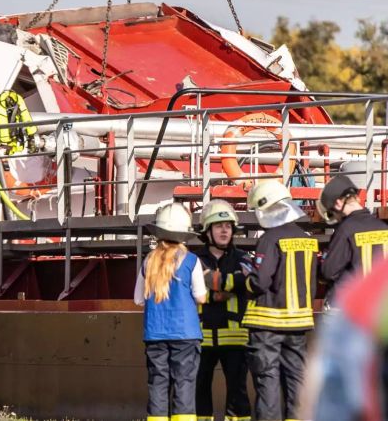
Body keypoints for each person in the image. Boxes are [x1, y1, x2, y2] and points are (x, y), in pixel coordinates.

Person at [230, 180, 317, 421]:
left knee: (267, 382)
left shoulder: (270, 239)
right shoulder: (308, 240)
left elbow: (260, 282)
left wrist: (245, 279)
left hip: (267, 324)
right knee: (296, 382)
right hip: (298, 325)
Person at [135, 202, 208, 421]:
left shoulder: (148, 261)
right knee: (184, 384)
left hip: (155, 333)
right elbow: (201, 296)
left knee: (158, 384)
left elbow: (138, 299)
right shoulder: (192, 261)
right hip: (185, 333)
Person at [194, 200, 253, 421]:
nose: (224, 230)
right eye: (219, 226)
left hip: (236, 338)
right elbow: (192, 290)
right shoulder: (195, 260)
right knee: (199, 391)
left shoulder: (242, 258)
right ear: (207, 231)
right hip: (202, 338)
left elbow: (248, 283)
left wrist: (213, 281)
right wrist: (221, 292)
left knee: (238, 395)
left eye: (228, 225)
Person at [316, 176, 388, 308]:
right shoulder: (385, 229)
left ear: (338, 203)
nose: (335, 217)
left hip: (348, 308)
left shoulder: (346, 230)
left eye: (332, 213)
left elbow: (328, 272)